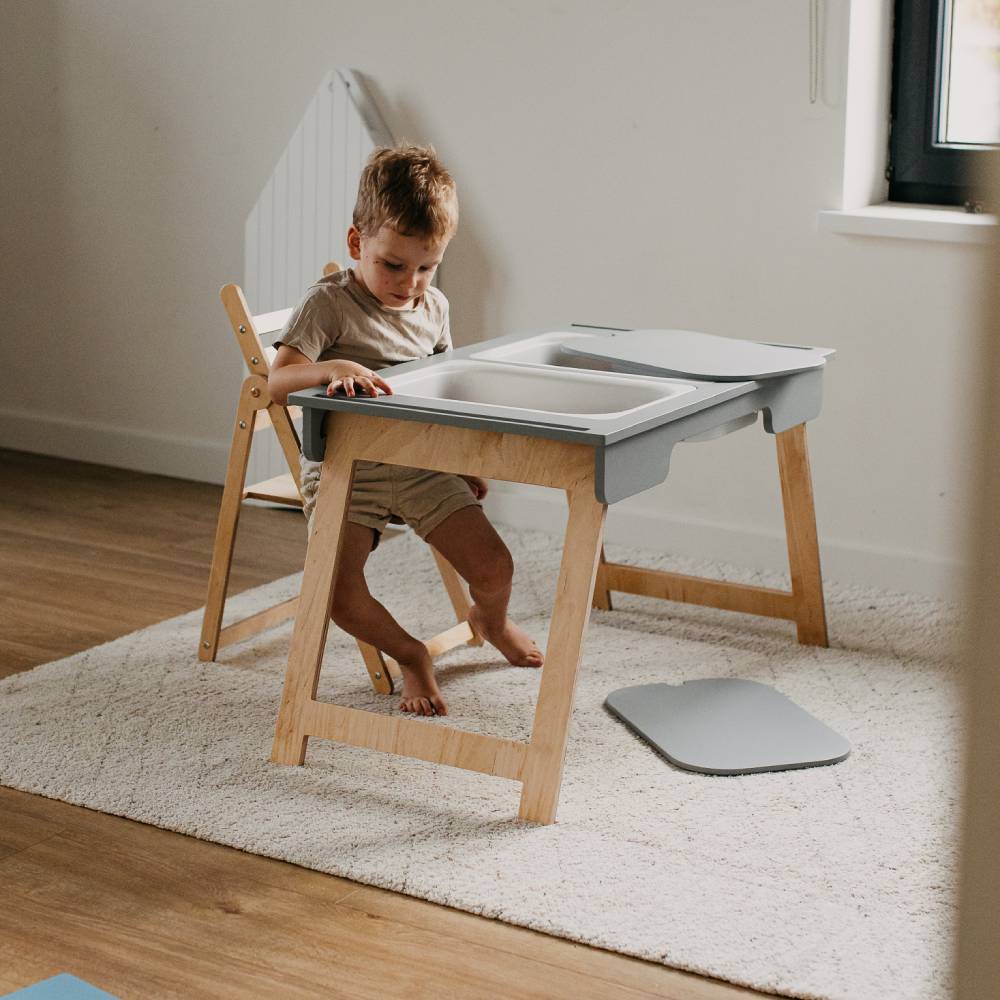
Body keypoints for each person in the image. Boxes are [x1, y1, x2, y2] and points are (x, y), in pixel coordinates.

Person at [268, 143, 543, 718]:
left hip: (422, 466)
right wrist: (333, 368)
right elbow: (276, 381)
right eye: (393, 264)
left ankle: (488, 621)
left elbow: (450, 387)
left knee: (497, 568)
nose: (409, 282)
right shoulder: (329, 306)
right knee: (338, 595)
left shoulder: (434, 308)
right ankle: (411, 654)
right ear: (356, 244)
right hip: (349, 472)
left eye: (425, 266)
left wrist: (464, 461)